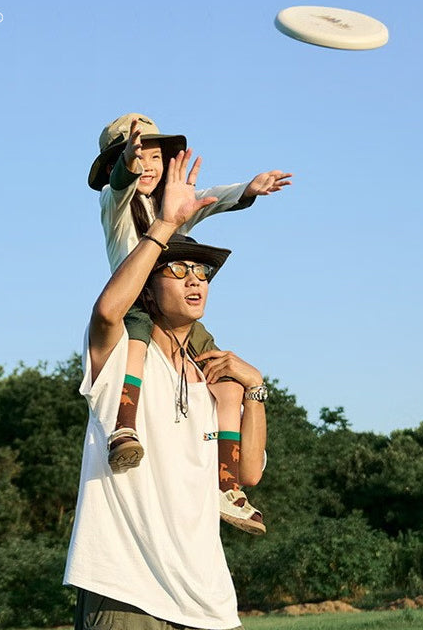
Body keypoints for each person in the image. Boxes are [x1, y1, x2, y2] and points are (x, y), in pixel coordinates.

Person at [54, 152, 266, 630]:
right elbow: (107, 313)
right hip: (126, 593)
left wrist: (256, 389)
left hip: (210, 602)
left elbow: (249, 471)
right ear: (148, 289)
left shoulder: (212, 379)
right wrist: (166, 224)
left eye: (203, 272)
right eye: (179, 270)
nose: (196, 280)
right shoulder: (121, 358)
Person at [88, 112, 290, 535]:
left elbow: (206, 199)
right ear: (114, 165)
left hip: (169, 312)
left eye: (155, 157)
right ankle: (124, 426)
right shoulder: (115, 202)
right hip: (136, 302)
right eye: (137, 155)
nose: (147, 165)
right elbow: (122, 183)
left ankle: (227, 486)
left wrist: (247, 190)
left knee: (226, 379)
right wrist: (127, 163)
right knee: (136, 342)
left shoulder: (171, 208)